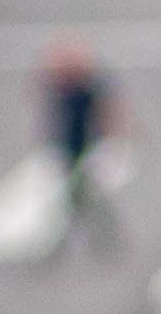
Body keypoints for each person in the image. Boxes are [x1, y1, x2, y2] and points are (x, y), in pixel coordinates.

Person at [34, 40, 122, 257]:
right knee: (79, 199)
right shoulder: (64, 92)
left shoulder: (86, 91)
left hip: (84, 149)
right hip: (70, 150)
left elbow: (104, 115)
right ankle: (101, 242)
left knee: (78, 200)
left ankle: (64, 247)